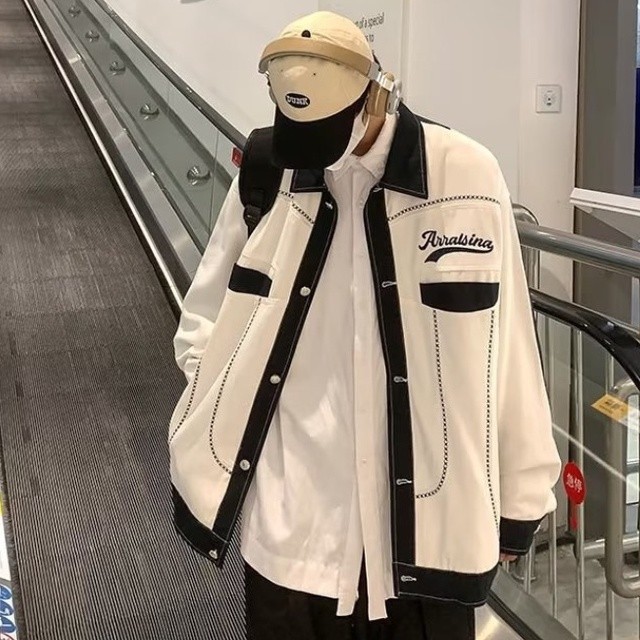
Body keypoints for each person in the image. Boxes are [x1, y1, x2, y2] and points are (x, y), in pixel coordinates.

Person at [168, 10, 561, 640]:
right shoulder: (269, 173)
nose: (315, 150)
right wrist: (221, 405)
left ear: (377, 94)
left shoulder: (464, 178)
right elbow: (204, 320)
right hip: (289, 542)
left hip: (427, 545)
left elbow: (508, 348)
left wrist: (522, 500)